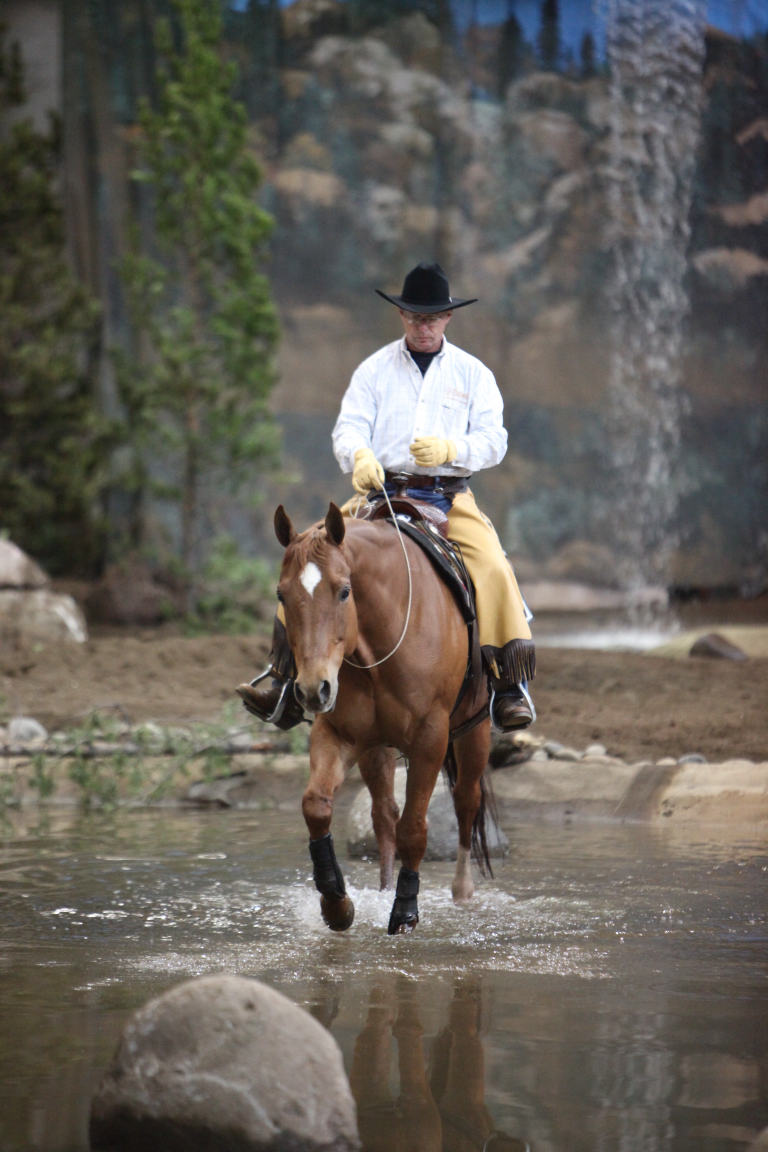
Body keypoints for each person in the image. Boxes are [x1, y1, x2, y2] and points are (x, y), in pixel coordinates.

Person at [239, 262, 535, 731]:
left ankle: (507, 684)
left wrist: (452, 450)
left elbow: (494, 440)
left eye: (432, 317)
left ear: (448, 319)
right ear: (401, 316)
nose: (423, 325)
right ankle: (282, 677)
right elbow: (350, 426)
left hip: (445, 496)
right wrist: (359, 456)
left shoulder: (474, 374)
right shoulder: (374, 370)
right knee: (305, 558)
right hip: (379, 492)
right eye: (415, 316)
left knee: (494, 567)